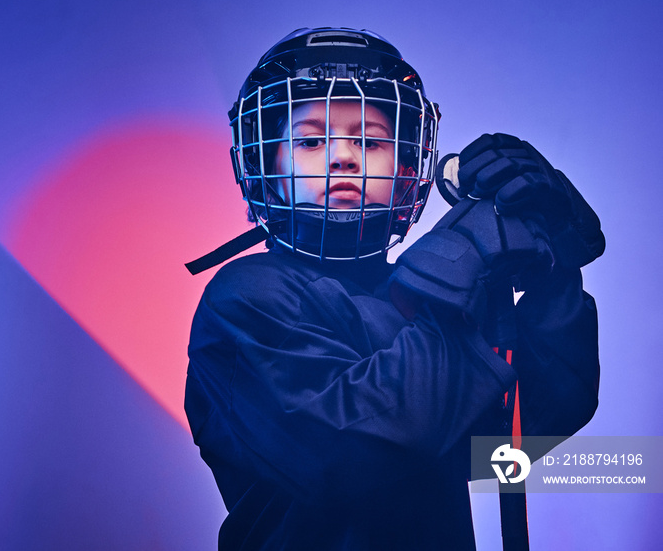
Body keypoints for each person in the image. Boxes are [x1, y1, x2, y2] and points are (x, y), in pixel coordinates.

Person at [184, 27, 604, 550]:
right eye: (311, 139)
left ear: (406, 168)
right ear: (266, 168)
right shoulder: (246, 296)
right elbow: (343, 457)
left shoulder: (425, 289)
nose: (342, 157)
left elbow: (527, 427)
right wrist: (460, 257)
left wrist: (552, 265)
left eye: (371, 140)